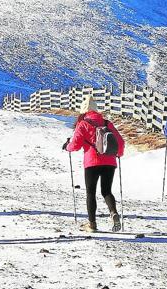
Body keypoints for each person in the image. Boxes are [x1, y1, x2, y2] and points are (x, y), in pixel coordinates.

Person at [63, 96, 125, 232]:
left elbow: (76, 145)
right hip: (110, 161)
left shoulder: (83, 124)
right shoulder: (107, 123)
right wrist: (118, 154)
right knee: (106, 191)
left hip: (92, 162)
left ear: (83, 111)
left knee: (91, 193)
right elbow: (120, 143)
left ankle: (92, 224)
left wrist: (67, 146)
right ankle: (113, 212)